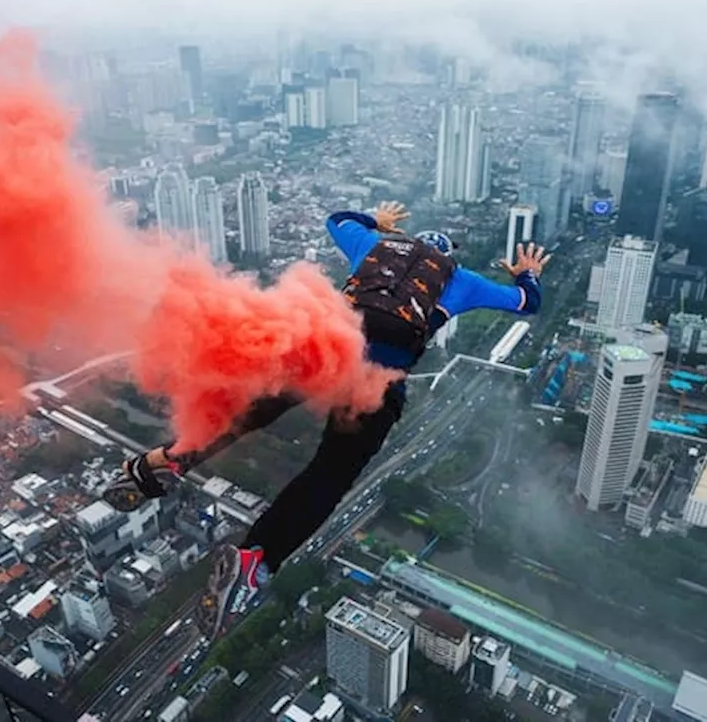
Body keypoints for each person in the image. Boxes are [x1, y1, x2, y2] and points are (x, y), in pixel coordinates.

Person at [103, 201, 551, 638]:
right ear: (446, 256)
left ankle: (166, 461)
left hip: (324, 353)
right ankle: (255, 558)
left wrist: (376, 220)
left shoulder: (373, 248)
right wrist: (525, 273)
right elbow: (528, 303)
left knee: (252, 412)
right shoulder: (461, 279)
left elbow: (335, 219)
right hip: (375, 381)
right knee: (328, 474)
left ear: (407, 242)